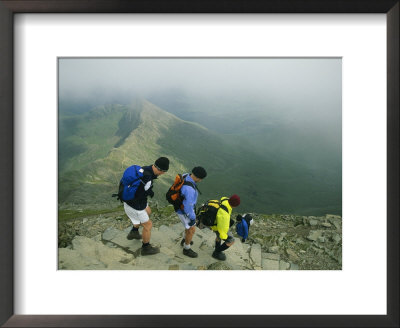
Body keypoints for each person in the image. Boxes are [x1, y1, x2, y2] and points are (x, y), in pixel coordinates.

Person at [124, 157, 169, 256]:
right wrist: (143, 206)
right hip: (134, 205)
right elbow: (141, 195)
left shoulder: (144, 169)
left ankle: (134, 232)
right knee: (148, 225)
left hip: (128, 200)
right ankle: (146, 248)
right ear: (160, 170)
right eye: (164, 171)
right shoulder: (148, 178)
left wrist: (145, 206)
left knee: (148, 212)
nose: (163, 174)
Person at [175, 166, 207, 258]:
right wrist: (193, 218)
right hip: (183, 211)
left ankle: (185, 240)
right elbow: (188, 207)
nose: (200, 181)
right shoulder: (189, 190)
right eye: (201, 179)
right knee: (191, 229)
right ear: (197, 177)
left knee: (188, 227)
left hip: (180, 206)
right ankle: (186, 248)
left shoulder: (186, 175)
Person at [210, 194, 241, 261]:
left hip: (216, 221)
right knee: (231, 241)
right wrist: (224, 237)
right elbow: (222, 229)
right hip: (218, 225)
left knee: (219, 234)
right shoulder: (225, 215)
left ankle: (217, 247)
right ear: (235, 205)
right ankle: (216, 252)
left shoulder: (226, 201)